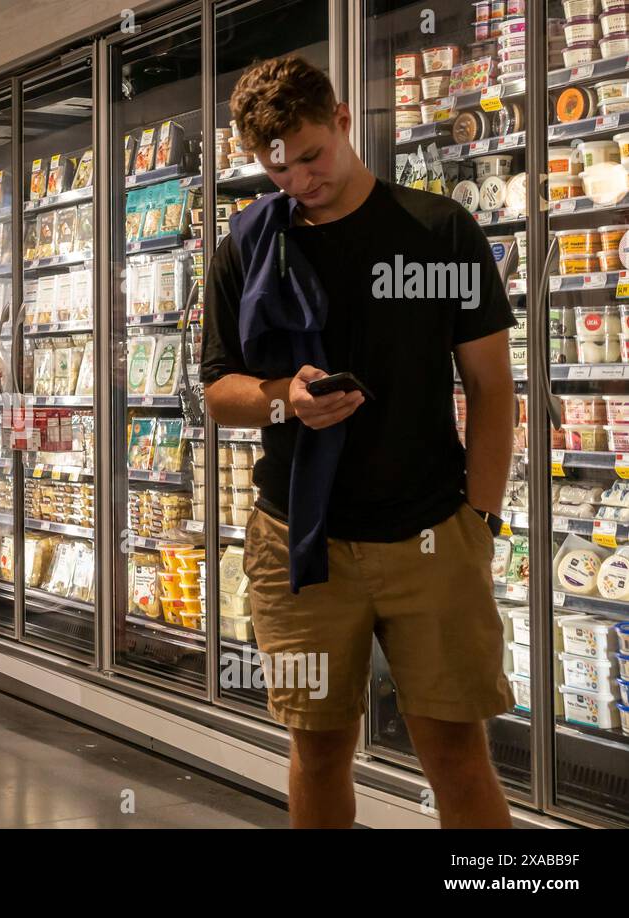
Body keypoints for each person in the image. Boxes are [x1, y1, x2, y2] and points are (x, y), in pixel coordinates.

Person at [198, 56, 516, 828]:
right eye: (278, 169)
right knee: (317, 751)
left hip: (432, 534)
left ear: (342, 120)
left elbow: (492, 389)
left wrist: (480, 521)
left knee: (455, 756)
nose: (299, 181)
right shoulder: (248, 245)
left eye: (311, 156)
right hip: (299, 543)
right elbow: (217, 392)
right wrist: (284, 401)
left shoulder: (440, 231)